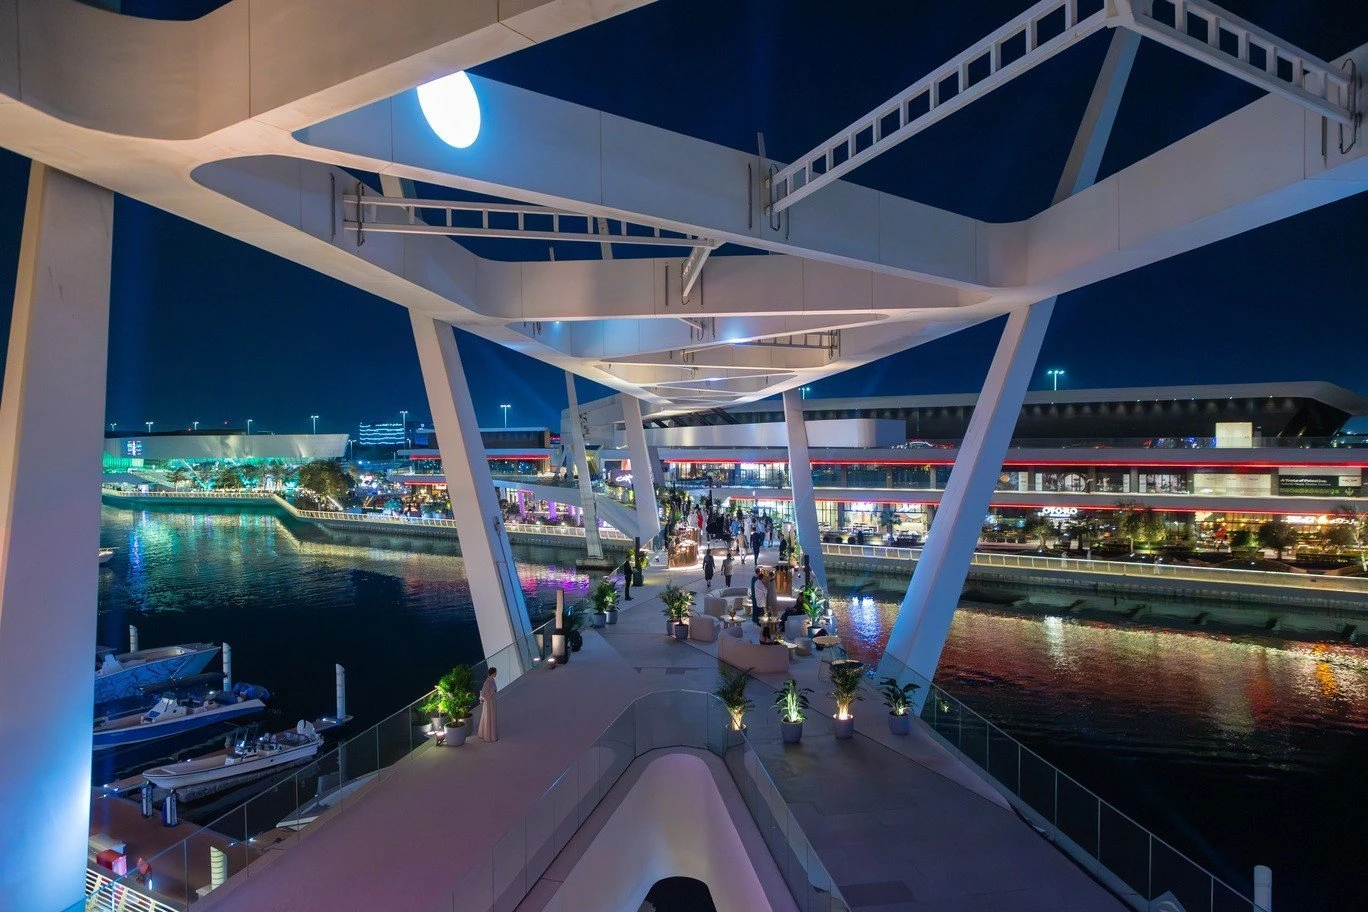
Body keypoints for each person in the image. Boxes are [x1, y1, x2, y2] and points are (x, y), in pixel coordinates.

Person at [478, 667, 498, 742]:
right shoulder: (487, 682)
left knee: (491, 717)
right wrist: (492, 692)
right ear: (493, 673)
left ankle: (491, 735)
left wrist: (493, 691)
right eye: (495, 672)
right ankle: (488, 736)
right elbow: (483, 695)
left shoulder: (492, 680)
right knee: (488, 717)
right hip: (488, 702)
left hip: (492, 701)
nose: (496, 674)